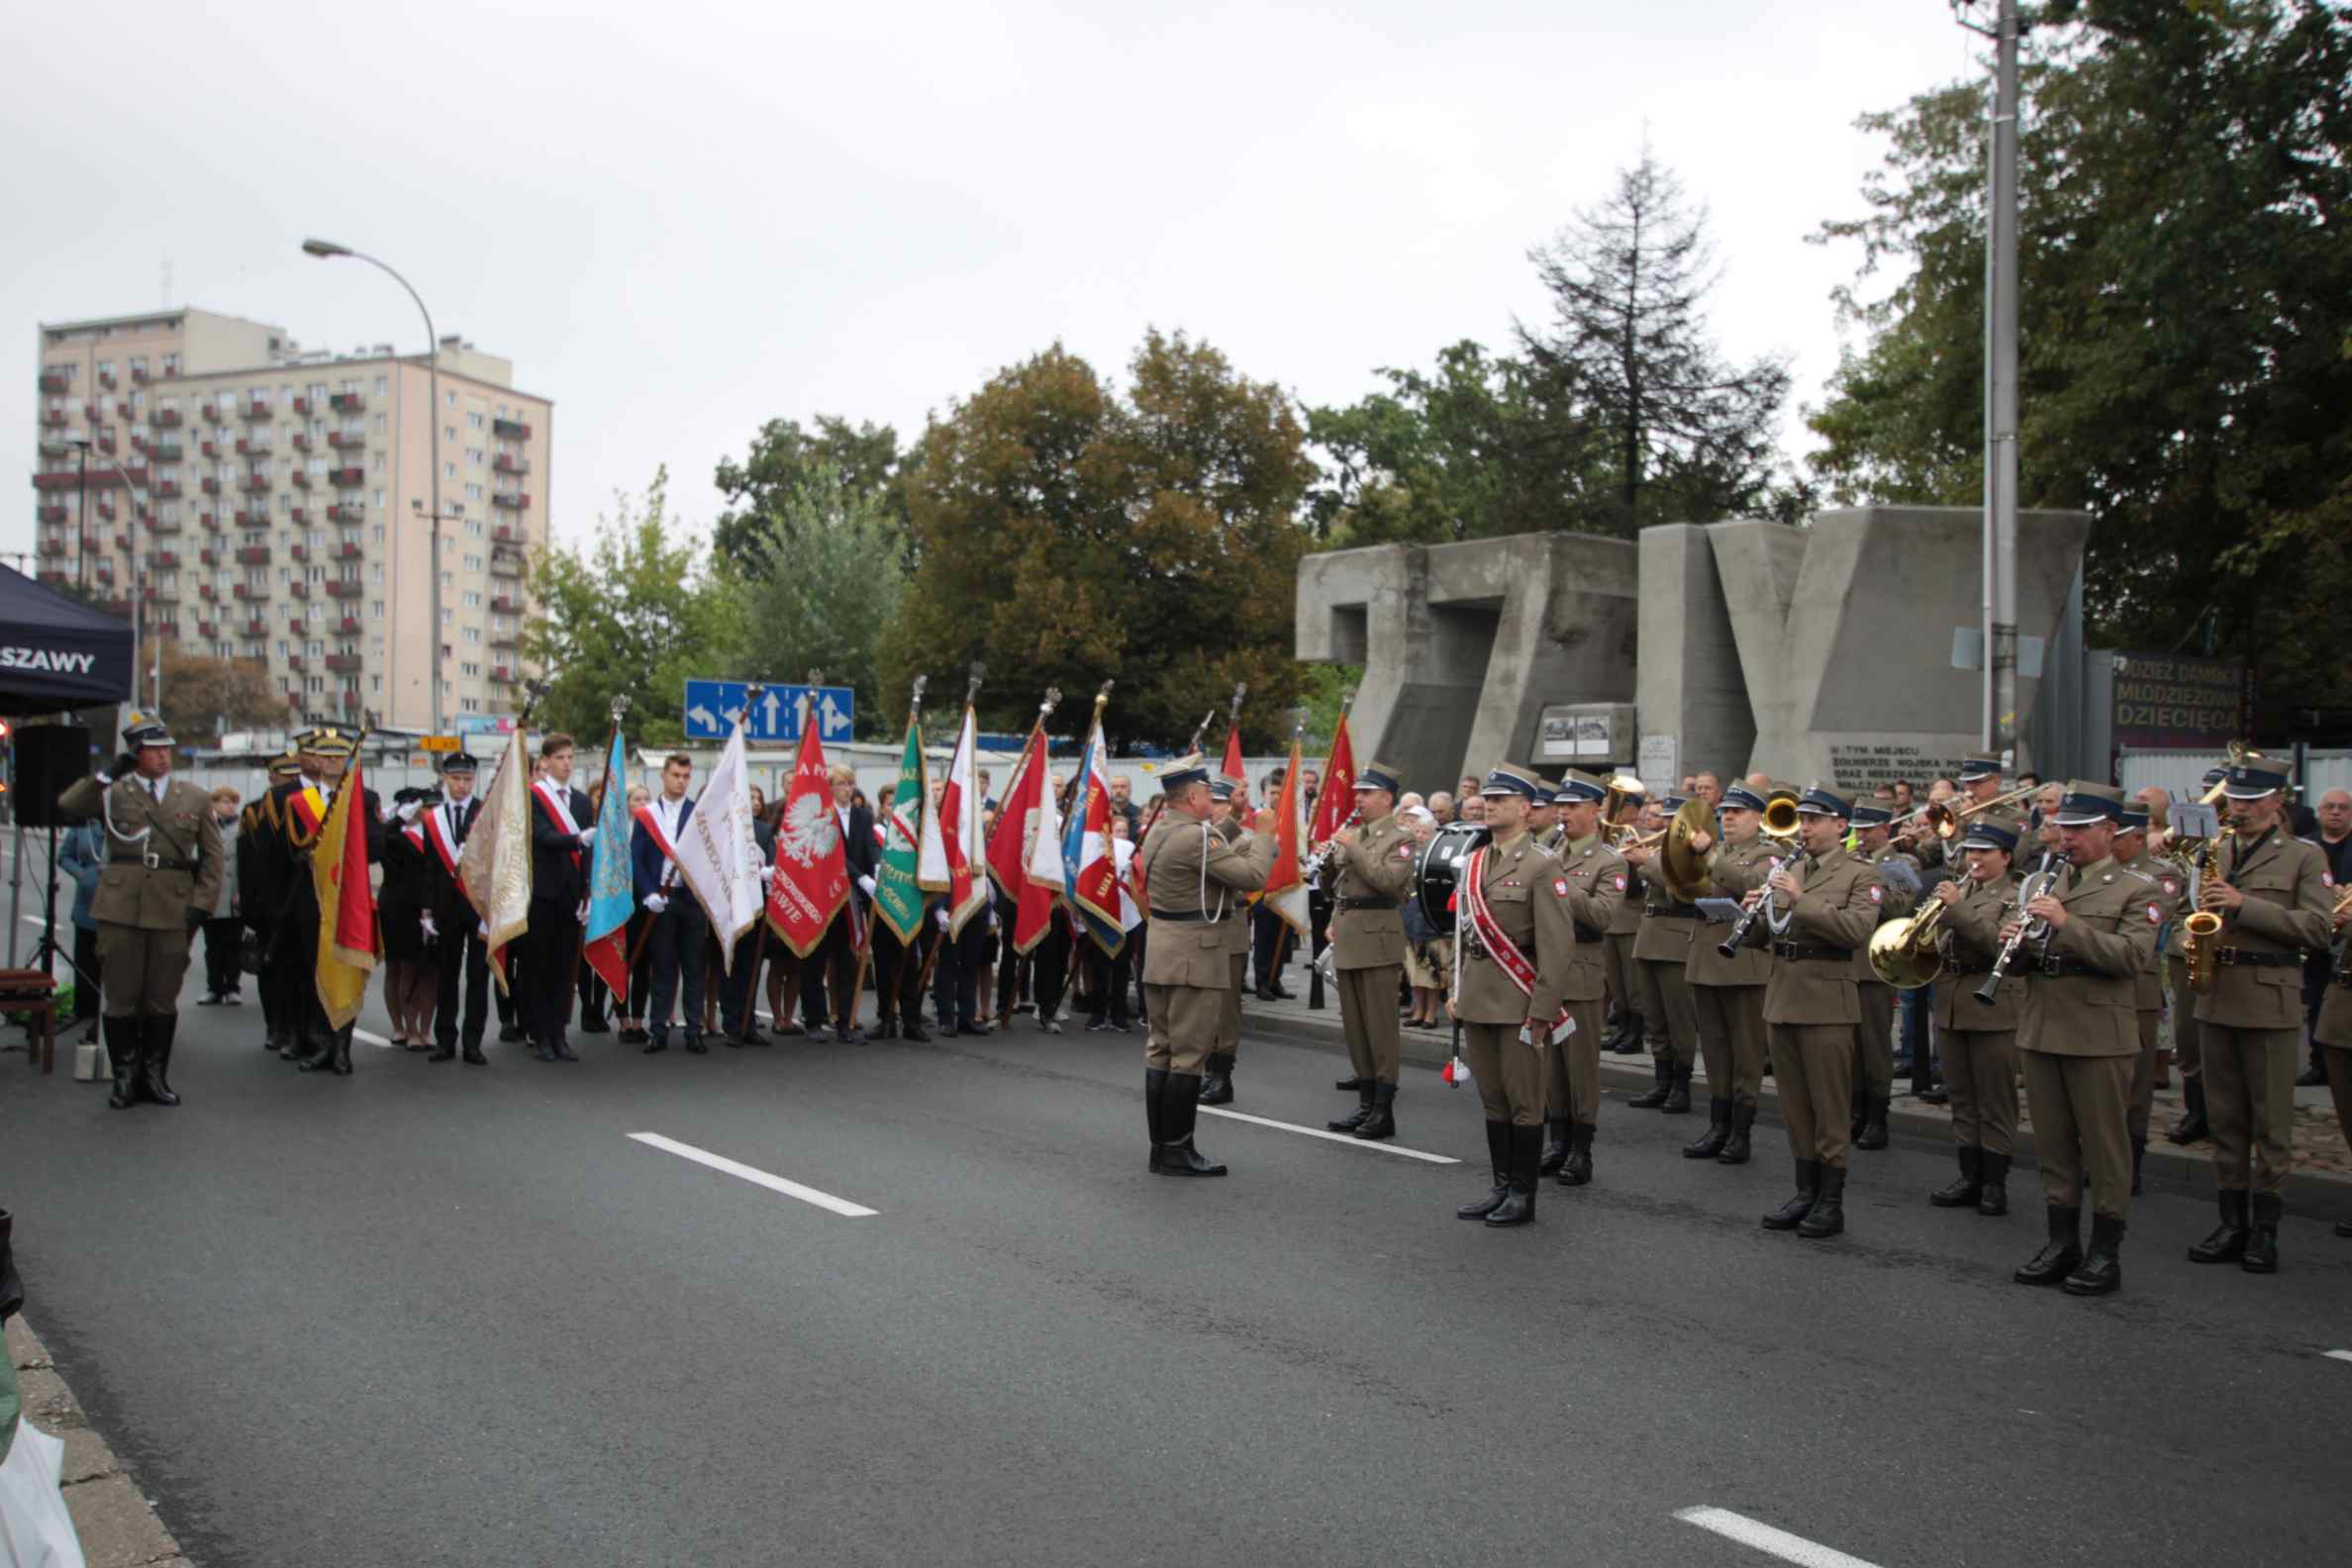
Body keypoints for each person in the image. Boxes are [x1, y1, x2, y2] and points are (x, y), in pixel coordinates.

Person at [2005, 781, 2160, 1295]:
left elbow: (2132, 959)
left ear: (2110, 830)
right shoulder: (2045, 882)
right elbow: (2026, 961)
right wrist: (2014, 945)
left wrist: (2066, 923)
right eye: (2062, 829)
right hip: (2043, 1025)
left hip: (2098, 1033)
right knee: (2053, 1144)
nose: (2065, 839)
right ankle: (2062, 1240)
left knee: (2104, 1147)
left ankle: (2104, 1251)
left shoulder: (2137, 888)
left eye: (2077, 830)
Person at [2187, 759, 2332, 1273]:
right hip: (2216, 994)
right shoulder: (2217, 850)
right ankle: (2232, 1221)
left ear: (2278, 802)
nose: (2239, 809)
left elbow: (2317, 929)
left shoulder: (2303, 857)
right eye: (2235, 800)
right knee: (2226, 1119)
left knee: (2270, 1124)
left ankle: (2265, 1231)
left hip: (2269, 998)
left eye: (2251, 800)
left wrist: (2243, 903)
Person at [55, 718, 226, 1109]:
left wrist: (200, 907)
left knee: (162, 997)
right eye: (153, 749)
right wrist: (104, 774)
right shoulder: (115, 792)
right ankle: (124, 1078)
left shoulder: (194, 797)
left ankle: (154, 1076)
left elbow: (213, 860)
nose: (163, 755)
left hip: (172, 907)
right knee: (122, 997)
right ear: (135, 754)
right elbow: (69, 804)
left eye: (167, 748)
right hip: (121, 908)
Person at [1739, 782, 1876, 1239]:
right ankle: (1804, 1190)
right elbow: (1772, 934)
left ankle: (1830, 1201)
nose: (1808, 828)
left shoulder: (1860, 874)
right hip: (1783, 997)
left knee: (1829, 1106)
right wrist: (1752, 918)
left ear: (1841, 825)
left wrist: (1800, 897)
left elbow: (1855, 931)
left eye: (1816, 820)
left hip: (1827, 1002)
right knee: (1795, 1105)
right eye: (1804, 819)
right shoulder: (1790, 867)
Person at [1447, 765, 1578, 1227]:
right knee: (1494, 1100)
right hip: (1478, 996)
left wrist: (1543, 1010)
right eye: (1489, 798)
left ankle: (1523, 1195)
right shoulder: (1478, 859)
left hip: (1519, 999)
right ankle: (1500, 1185)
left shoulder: (1542, 864)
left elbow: (1558, 947)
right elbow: (1463, 934)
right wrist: (1454, 988)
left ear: (1525, 809)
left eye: (1502, 799)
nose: (1491, 804)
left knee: (1524, 1101)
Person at [1137, 754, 1276, 1176]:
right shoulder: (1196, 838)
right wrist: (1266, 835)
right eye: (1207, 793)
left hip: (1162, 950)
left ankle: (1162, 1147)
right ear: (1194, 795)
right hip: (1194, 956)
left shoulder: (1162, 830)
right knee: (1189, 1055)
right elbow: (1251, 877)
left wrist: (1235, 827)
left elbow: (1211, 851)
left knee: (1161, 1049)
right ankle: (1178, 1149)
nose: (1211, 799)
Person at [1922, 820, 2025, 1216]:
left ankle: (1995, 1183)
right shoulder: (1961, 890)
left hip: (1992, 1003)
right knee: (1962, 1096)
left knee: (1994, 1099)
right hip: (1951, 1000)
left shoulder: (2014, 895)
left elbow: (1997, 942)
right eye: (1970, 851)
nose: (1974, 858)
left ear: (2006, 856)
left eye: (1984, 851)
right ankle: (1969, 1175)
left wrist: (1957, 909)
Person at [1682, 781, 1778, 1166]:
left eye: (1738, 813)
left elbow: (1757, 885)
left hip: (1744, 967)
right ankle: (1718, 1125)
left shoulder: (1769, 854)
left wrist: (1710, 855)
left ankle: (1741, 1131)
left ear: (1758, 818)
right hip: (1705, 962)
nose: (1729, 819)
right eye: (1725, 813)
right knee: (1716, 1053)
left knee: (1746, 1053)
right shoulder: (1717, 852)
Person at [1319, 761, 1416, 1141]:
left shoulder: (1400, 838)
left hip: (1377, 937)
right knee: (1355, 1026)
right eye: (1357, 792)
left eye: (1365, 793)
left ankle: (1383, 1109)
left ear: (1386, 798)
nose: (1357, 799)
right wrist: (1326, 866)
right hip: (1348, 933)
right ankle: (1365, 1100)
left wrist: (1354, 849)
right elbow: (1336, 890)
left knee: (1380, 1027)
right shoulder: (1354, 834)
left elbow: (1389, 883)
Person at [1542, 770, 1629, 1184]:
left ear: (1595, 811)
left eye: (1573, 806)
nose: (1563, 813)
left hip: (1581, 966)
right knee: (1550, 1064)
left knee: (1579, 1064)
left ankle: (1581, 1149)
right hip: (1544, 968)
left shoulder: (1609, 861)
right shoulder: (1546, 851)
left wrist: (1559, 885)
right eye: (1560, 806)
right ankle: (1557, 1141)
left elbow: (1601, 916)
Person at [2109, 807, 2183, 1192]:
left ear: (2138, 837)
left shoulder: (2161, 874)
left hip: (2138, 987)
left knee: (2135, 1082)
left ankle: (2131, 1164)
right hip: (2096, 984)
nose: (2110, 842)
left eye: (2117, 835)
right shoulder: (2096, 871)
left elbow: (2151, 919)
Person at [1620, 793, 1702, 1115]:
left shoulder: (1696, 854)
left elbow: (1681, 892)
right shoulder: (1658, 852)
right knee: (1655, 1018)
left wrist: (1647, 862)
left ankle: (1681, 1086)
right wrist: (1627, 862)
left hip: (1676, 943)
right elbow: (1631, 894)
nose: (1666, 825)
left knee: (1678, 1019)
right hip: (1649, 938)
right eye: (1665, 820)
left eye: (1673, 820)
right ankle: (1661, 1081)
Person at [1847, 800, 1921, 1151]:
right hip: (1847, 962)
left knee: (1875, 1045)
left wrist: (1864, 874)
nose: (1859, 835)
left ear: (1885, 830)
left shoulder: (1902, 863)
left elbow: (1899, 907)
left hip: (1875, 965)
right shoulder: (1850, 859)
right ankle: (1856, 1110)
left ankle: (1878, 1116)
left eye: (1867, 829)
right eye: (1857, 828)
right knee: (1850, 1046)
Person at [2164, 764, 2229, 1145]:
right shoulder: (2185, 840)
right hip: (2185, 939)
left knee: (2223, 1037)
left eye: (2218, 796)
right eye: (2209, 794)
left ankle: (2227, 1115)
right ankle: (2196, 1112)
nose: (2213, 803)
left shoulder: (2238, 841)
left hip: (2230, 942)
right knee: (2188, 1036)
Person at [523, 732, 596, 1061]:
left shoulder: (581, 801)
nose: (567, 764)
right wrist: (578, 838)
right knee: (539, 964)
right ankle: (539, 1034)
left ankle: (559, 1032)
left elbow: (589, 853)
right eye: (561, 758)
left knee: (565, 968)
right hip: (542, 893)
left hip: (571, 895)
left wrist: (588, 891)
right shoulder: (534, 797)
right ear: (546, 762)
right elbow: (544, 837)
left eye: (570, 758)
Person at [634, 752, 707, 1055]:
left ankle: (693, 1030)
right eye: (676, 775)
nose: (681, 781)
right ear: (663, 776)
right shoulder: (647, 814)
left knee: (694, 967)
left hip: (690, 899)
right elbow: (635, 856)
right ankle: (659, 1029)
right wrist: (648, 892)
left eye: (686, 776)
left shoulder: (699, 813)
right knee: (662, 967)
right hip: (661, 901)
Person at [422, 752, 492, 1064]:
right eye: (456, 779)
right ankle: (444, 1040)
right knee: (447, 976)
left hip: (478, 906)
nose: (462, 786)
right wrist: (426, 910)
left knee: (478, 978)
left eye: (467, 779)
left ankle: (473, 1042)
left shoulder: (485, 813)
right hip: (445, 906)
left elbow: (494, 865)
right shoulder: (432, 818)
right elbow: (428, 867)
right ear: (445, 779)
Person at [803, 762, 876, 1043]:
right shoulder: (821, 816)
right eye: (841, 784)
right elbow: (835, 854)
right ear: (829, 787)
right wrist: (861, 878)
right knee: (816, 959)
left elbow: (869, 846)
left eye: (850, 783)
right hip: (824, 897)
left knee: (847, 961)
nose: (847, 789)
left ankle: (846, 1020)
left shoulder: (862, 815)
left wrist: (877, 869)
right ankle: (813, 1020)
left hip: (851, 902)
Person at [1198, 773, 1254, 1104]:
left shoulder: (1241, 841)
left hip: (1230, 927)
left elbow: (1242, 881)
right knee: (1206, 1006)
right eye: (1213, 802)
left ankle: (1223, 1076)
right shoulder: (1200, 838)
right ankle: (1208, 1071)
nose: (1215, 809)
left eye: (1221, 803)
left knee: (1226, 1007)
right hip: (1204, 929)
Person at [377, 786, 441, 1049]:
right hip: (400, 908)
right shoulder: (397, 838)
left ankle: (427, 1030)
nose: (431, 812)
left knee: (431, 971)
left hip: (434, 907)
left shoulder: (437, 835)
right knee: (403, 967)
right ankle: (405, 1028)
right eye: (426, 807)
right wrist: (400, 818)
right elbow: (378, 843)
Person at [2298, 787, 2351, 1087]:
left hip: (2349, 933)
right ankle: (2319, 1064)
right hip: (2317, 931)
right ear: (2318, 812)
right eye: (2329, 806)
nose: (2336, 812)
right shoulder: (2307, 847)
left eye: (2343, 807)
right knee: (2316, 999)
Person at [1601, 783, 1647, 1054]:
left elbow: (1636, 886)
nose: (1608, 810)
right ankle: (1623, 1027)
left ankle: (1636, 1033)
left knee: (1633, 985)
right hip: (1612, 919)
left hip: (1632, 920)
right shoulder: (1610, 837)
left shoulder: (1644, 838)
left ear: (1630, 809)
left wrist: (1632, 859)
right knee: (1616, 983)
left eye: (1614, 805)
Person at [57, 815, 105, 1041]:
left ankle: (106, 1005)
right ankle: (84, 1006)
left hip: (118, 903)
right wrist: (81, 873)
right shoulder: (83, 824)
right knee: (85, 958)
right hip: (87, 904)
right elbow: (65, 856)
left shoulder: (124, 820)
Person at [196, 786, 244, 1006]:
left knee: (234, 944)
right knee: (213, 946)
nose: (230, 806)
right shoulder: (205, 826)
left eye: (233, 802)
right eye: (225, 802)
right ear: (213, 804)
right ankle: (214, 987)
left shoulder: (243, 827)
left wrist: (242, 892)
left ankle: (232, 987)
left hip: (235, 895)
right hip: (211, 895)